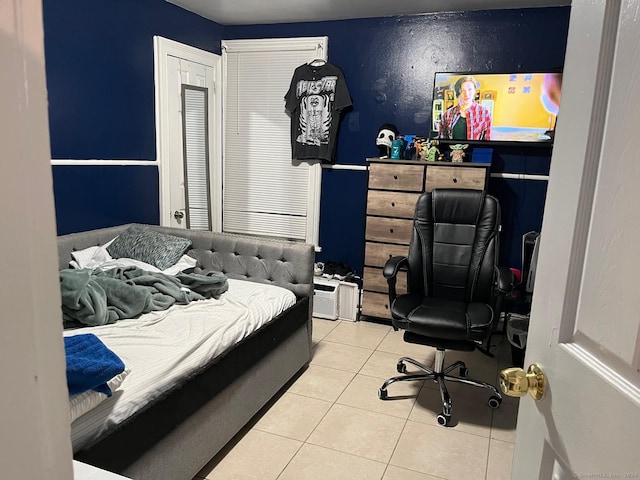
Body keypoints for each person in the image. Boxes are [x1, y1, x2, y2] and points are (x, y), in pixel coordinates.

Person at [437, 76, 491, 141]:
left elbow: (487, 142)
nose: (467, 94)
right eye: (462, 90)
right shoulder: (447, 114)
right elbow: (442, 141)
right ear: (458, 93)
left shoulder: (484, 113)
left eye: (470, 89)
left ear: (474, 91)